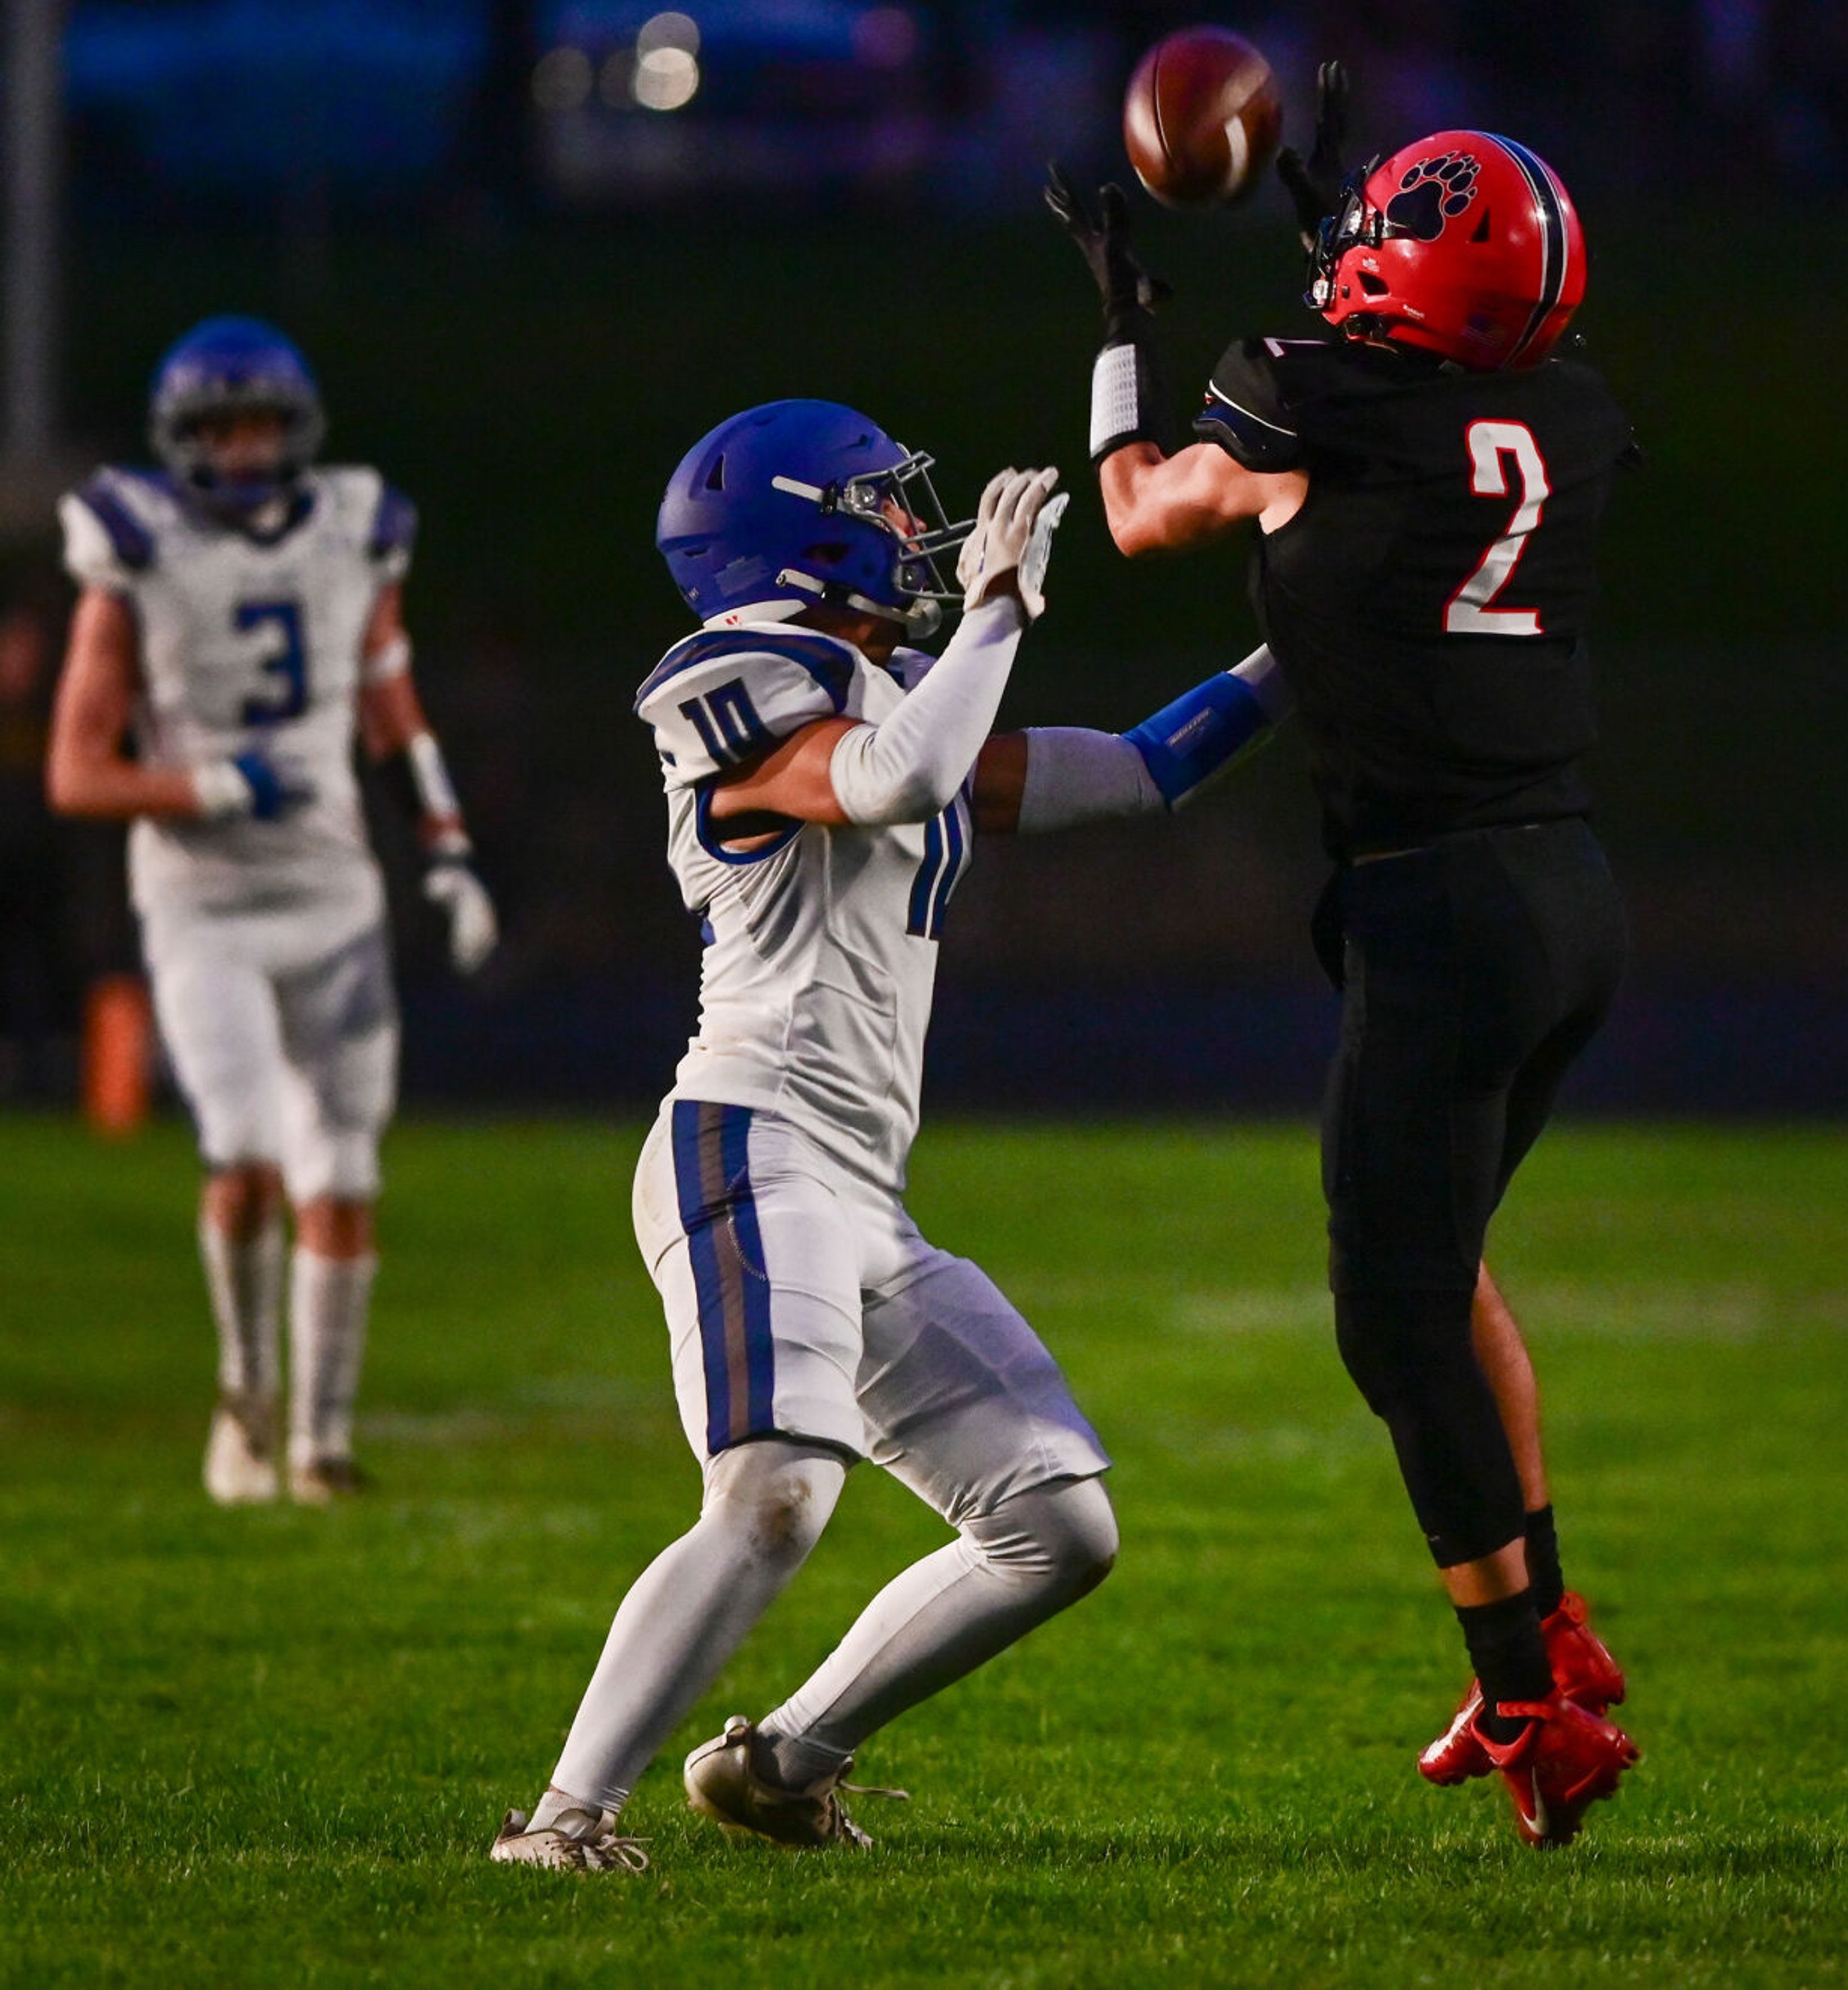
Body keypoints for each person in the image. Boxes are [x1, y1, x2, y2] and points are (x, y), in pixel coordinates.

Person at [490, 399, 1286, 1871]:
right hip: (747, 1140)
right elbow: (888, 779)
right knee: (779, 1490)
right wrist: (990, 611)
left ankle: (784, 1761)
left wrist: (1304, 649)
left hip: (862, 1188)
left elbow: (1138, 767)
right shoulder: (742, 675)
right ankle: (560, 1819)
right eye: (887, 505)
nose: (920, 531)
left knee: (1061, 1525)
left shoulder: (908, 683)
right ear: (804, 534)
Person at [1047, 75, 1642, 1849]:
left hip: (1440, 907)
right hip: (1563, 889)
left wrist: (1121, 339)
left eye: (1392, 227)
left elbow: (1149, 514)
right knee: (1441, 1261)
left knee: (1389, 1312)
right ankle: (1554, 1621)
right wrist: (1348, 244)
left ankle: (1524, 1692)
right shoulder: (1572, 406)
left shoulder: (1307, 395)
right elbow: (1414, 405)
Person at [46, 316, 498, 1505]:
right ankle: (244, 1398)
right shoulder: (133, 547)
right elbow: (75, 770)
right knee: (243, 1152)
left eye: (260, 425)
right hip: (202, 898)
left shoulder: (355, 527)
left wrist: (444, 846)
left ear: (296, 431)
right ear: (180, 440)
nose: (244, 450)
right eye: (220, 428)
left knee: (344, 1170)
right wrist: (203, 783)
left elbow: (392, 701)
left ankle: (321, 1443)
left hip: (334, 892)